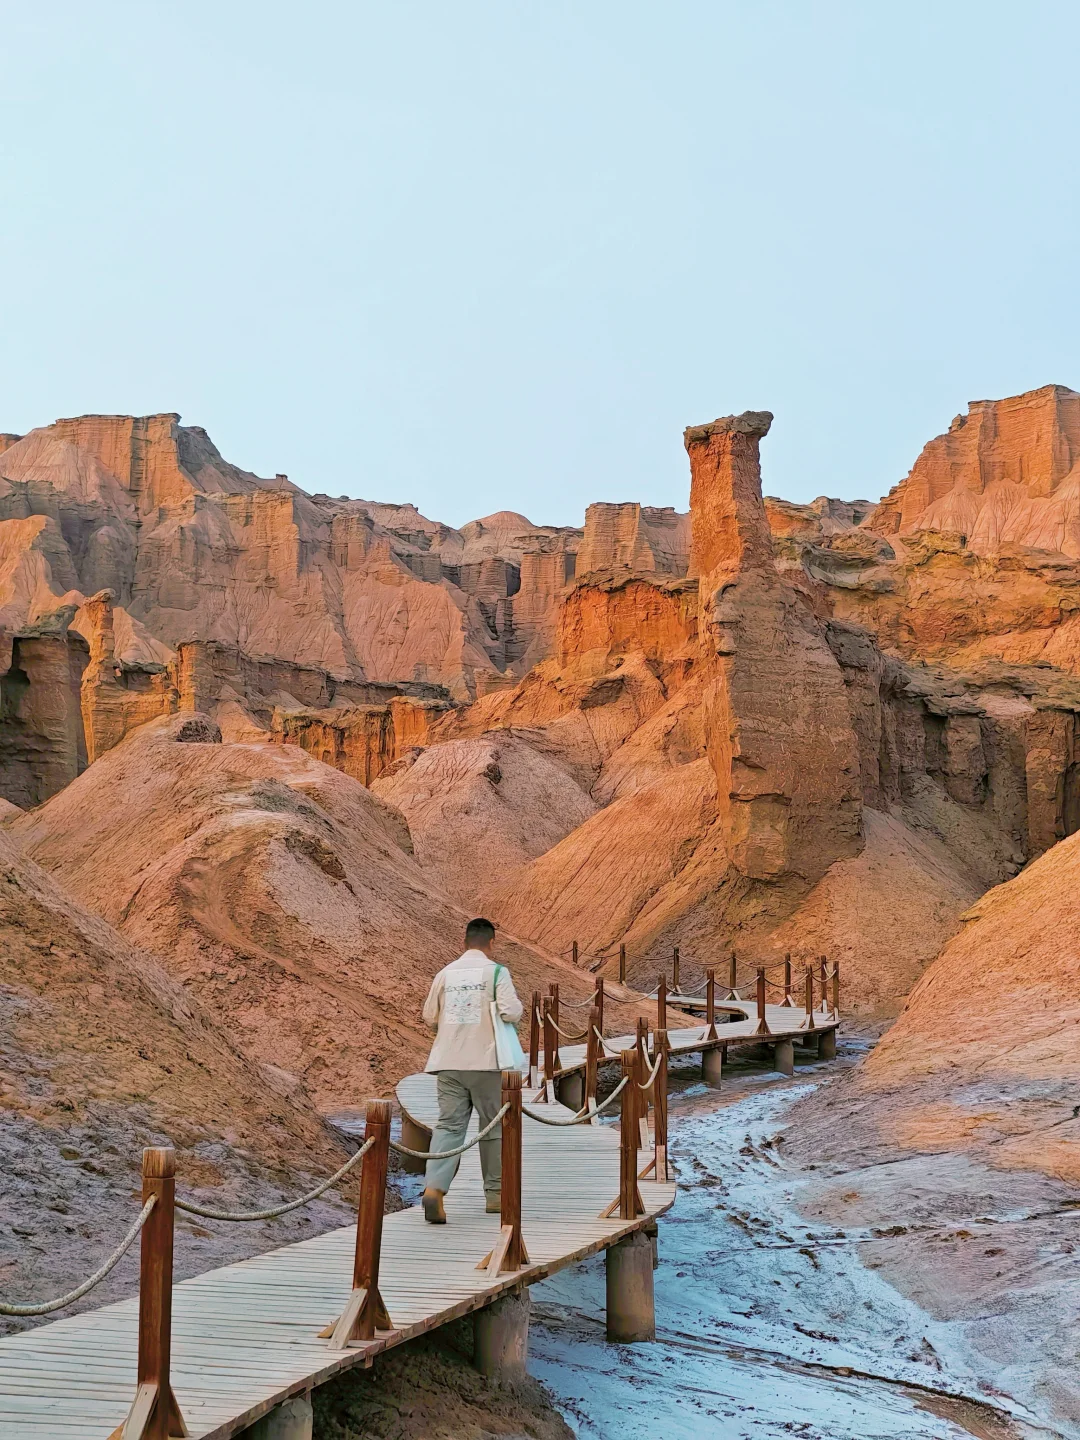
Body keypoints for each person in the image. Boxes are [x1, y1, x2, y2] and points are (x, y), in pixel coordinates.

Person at [420, 917, 523, 1224]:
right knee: (492, 1127)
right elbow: (511, 1011)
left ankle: (434, 1189)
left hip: (448, 1062)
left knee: (449, 1126)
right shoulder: (496, 973)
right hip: (486, 1063)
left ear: (464, 943)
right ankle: (494, 1195)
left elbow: (429, 1016)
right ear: (491, 943)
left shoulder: (445, 974)